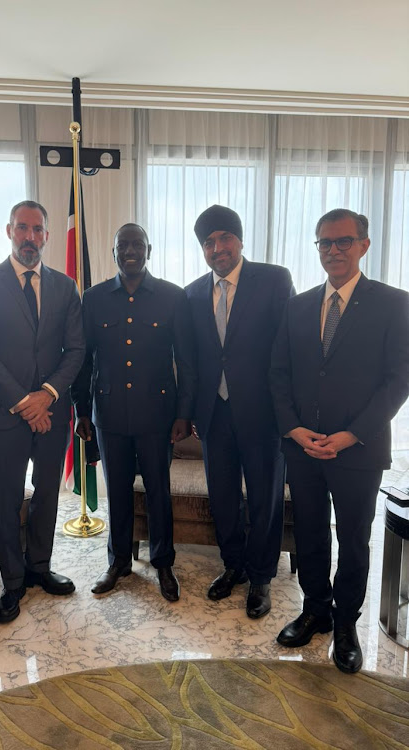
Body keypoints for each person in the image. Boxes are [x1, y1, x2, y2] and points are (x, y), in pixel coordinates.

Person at [270, 208, 409, 673]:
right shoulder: (298, 305)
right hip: (303, 448)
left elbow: (397, 381)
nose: (333, 251)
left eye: (343, 242)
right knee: (309, 534)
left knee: (352, 540)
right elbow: (279, 374)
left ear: (364, 245)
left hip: (359, 450)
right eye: (325, 243)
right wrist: (292, 428)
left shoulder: (394, 303)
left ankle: (346, 624)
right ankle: (316, 611)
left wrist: (351, 435)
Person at [0, 200, 84, 624]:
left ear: (47, 237)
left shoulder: (65, 287)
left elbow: (76, 349)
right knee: (7, 499)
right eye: (22, 228)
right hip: (4, 414)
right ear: (9, 231)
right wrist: (24, 402)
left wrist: (47, 395)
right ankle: (12, 582)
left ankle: (39, 567)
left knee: (49, 494)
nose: (30, 237)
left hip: (52, 412)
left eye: (38, 230)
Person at [73, 223, 196, 601]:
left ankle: (163, 563)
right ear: (113, 252)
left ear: (149, 249)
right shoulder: (93, 299)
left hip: (157, 414)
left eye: (137, 244)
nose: (130, 251)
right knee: (119, 491)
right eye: (122, 244)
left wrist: (183, 413)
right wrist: (81, 412)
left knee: (159, 490)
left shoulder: (172, 297)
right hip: (109, 413)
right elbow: (84, 361)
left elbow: (186, 361)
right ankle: (118, 562)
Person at [185, 205, 294, 618]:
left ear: (240, 239)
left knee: (265, 496)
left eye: (224, 238)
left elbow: (287, 348)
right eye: (209, 243)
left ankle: (262, 576)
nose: (218, 248)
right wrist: (194, 411)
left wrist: (290, 413)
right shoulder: (193, 292)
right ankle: (233, 566)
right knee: (224, 496)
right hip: (215, 413)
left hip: (263, 413)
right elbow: (193, 359)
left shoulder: (273, 279)